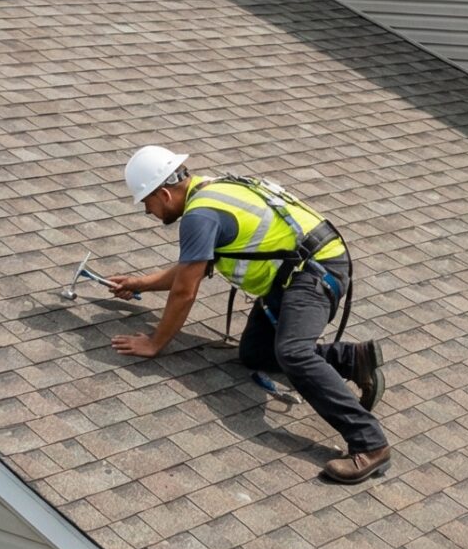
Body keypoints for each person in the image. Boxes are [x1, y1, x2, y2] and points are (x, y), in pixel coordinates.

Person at [105, 145, 391, 484]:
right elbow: (190, 270)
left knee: (293, 353)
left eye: (146, 203)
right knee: (255, 353)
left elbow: (185, 291)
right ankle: (351, 359)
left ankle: (370, 444)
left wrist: (155, 343)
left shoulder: (200, 216)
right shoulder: (213, 189)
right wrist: (139, 283)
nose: (148, 212)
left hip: (316, 272)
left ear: (164, 194)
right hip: (295, 273)